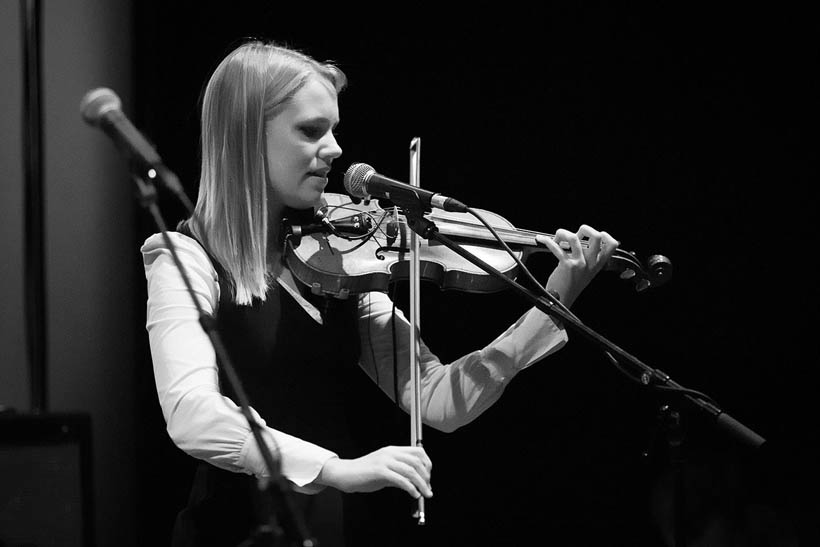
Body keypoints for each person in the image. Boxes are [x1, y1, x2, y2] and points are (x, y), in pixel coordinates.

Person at [141, 40, 619, 547]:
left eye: (334, 130)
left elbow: (439, 400)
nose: (336, 150)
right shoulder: (182, 257)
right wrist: (335, 469)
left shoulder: (337, 260)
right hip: (230, 533)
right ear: (243, 138)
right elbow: (192, 415)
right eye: (310, 131)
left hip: (326, 531)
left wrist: (554, 302)